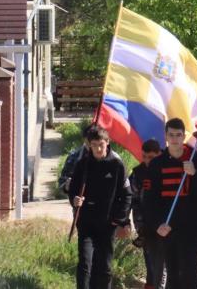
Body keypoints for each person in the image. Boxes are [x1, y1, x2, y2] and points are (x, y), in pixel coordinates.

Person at [144, 118, 197, 289]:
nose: (174, 139)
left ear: (183, 136)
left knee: (192, 275)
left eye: (178, 135)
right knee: (173, 274)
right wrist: (157, 224)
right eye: (171, 135)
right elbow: (149, 201)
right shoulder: (156, 165)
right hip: (168, 228)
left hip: (191, 228)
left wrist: (194, 175)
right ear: (165, 136)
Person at [68, 124, 132, 289]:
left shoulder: (117, 165)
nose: (97, 149)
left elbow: (127, 195)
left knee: (104, 266)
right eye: (94, 145)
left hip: (107, 224)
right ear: (89, 145)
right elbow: (73, 190)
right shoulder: (83, 164)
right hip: (86, 222)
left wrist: (118, 219)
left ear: (107, 142)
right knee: (85, 262)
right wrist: (75, 200)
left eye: (101, 145)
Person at [130, 139, 165, 289]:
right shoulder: (138, 173)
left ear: (159, 154)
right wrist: (139, 225)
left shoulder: (166, 169)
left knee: (163, 262)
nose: (146, 160)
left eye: (150, 157)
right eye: (144, 156)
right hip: (146, 225)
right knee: (150, 261)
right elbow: (133, 200)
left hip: (165, 223)